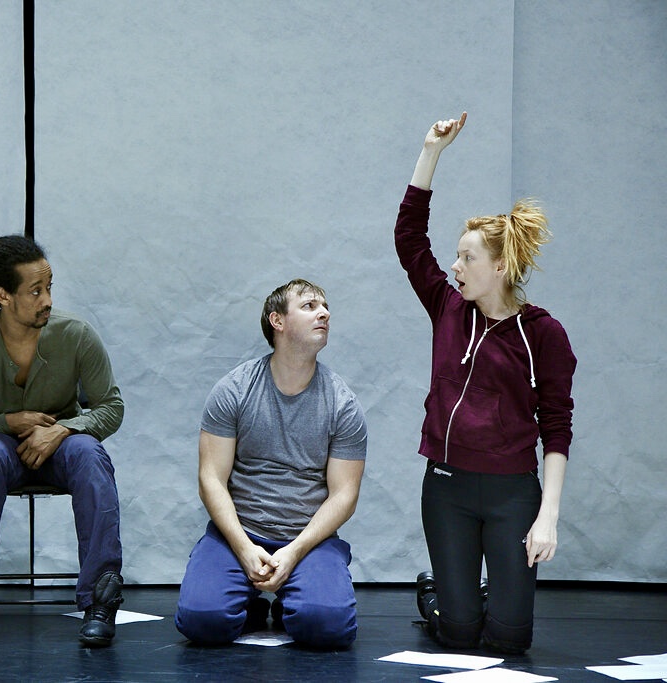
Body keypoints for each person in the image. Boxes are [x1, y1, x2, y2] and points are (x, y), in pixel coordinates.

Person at [396, 112, 577, 654]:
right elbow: (409, 239)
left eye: (467, 257)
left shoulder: (542, 333)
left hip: (512, 495)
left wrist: (547, 517)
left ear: (499, 266)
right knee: (457, 633)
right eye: (456, 256)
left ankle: (478, 600)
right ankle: (440, 596)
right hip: (446, 487)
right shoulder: (447, 307)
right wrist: (431, 151)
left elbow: (557, 428)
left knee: (509, 641)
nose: (455, 266)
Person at [0, 235, 125, 648]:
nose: (47, 300)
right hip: (0, 450)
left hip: (63, 445)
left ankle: (99, 603)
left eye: (49, 287)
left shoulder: (76, 335)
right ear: (4, 296)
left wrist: (64, 429)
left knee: (90, 454)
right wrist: (4, 422)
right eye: (35, 291)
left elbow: (112, 407)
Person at [174, 279, 367, 650]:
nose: (324, 313)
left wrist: (294, 552)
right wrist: (244, 548)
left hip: (308, 540)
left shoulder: (343, 403)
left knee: (327, 627)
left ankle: (291, 604)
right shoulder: (234, 390)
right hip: (238, 534)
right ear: (277, 321)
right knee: (201, 621)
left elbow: (345, 495)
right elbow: (211, 478)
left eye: (325, 307)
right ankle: (248, 603)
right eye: (309, 306)